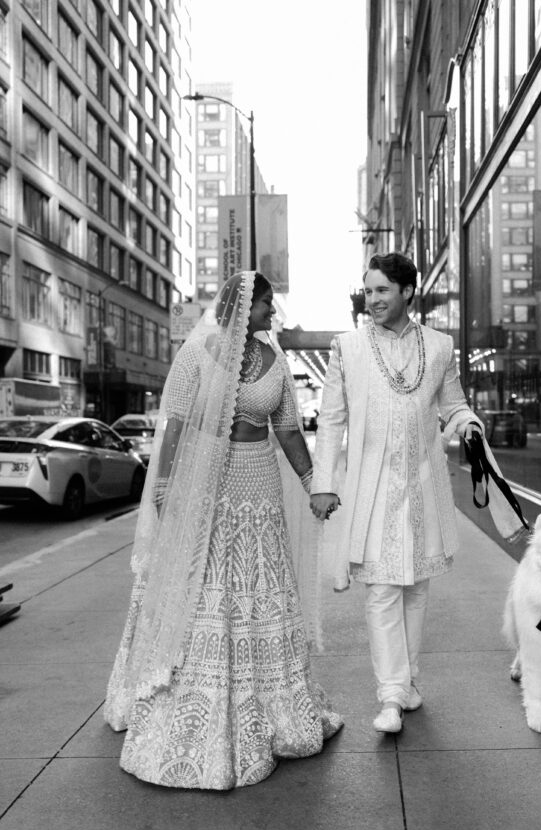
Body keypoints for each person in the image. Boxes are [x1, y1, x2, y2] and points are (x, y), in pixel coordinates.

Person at [104, 271, 343, 789]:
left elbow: (286, 430)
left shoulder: (275, 360)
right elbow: (177, 424)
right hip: (208, 481)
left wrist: (311, 484)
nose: (271, 314)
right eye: (264, 305)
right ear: (240, 306)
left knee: (259, 582)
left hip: (260, 484)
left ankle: (271, 700)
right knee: (209, 583)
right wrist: (165, 485)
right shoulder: (200, 353)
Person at [309, 252, 484, 735]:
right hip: (373, 488)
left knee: (416, 589)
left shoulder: (440, 346)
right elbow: (331, 421)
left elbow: (454, 404)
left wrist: (468, 425)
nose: (373, 300)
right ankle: (389, 694)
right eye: (368, 291)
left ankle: (408, 683)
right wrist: (324, 484)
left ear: (408, 291)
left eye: (382, 290)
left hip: (423, 485)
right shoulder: (347, 348)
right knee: (383, 589)